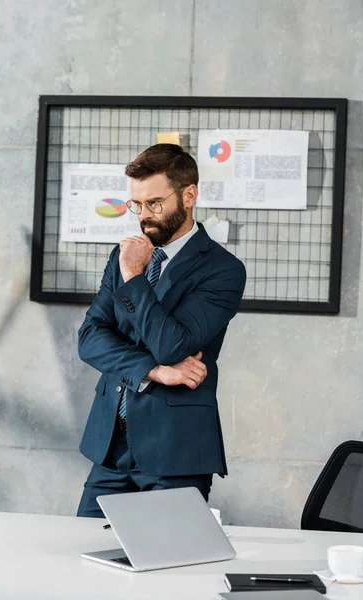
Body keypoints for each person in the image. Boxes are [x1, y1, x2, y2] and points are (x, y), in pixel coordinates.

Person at [76, 143, 246, 518]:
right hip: (111, 446)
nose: (144, 216)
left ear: (189, 195)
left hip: (175, 450)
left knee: (166, 568)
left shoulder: (222, 270)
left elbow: (173, 345)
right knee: (83, 559)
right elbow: (89, 339)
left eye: (155, 203)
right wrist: (154, 371)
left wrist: (134, 276)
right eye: (137, 204)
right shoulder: (120, 255)